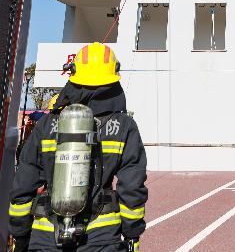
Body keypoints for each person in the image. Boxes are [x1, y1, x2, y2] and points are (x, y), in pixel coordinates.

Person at [8, 43, 147, 252]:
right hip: (100, 238)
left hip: (46, 237)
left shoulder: (47, 124)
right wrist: (132, 235)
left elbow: (24, 183)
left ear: (73, 75)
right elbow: (132, 187)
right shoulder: (124, 126)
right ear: (113, 79)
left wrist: (19, 234)